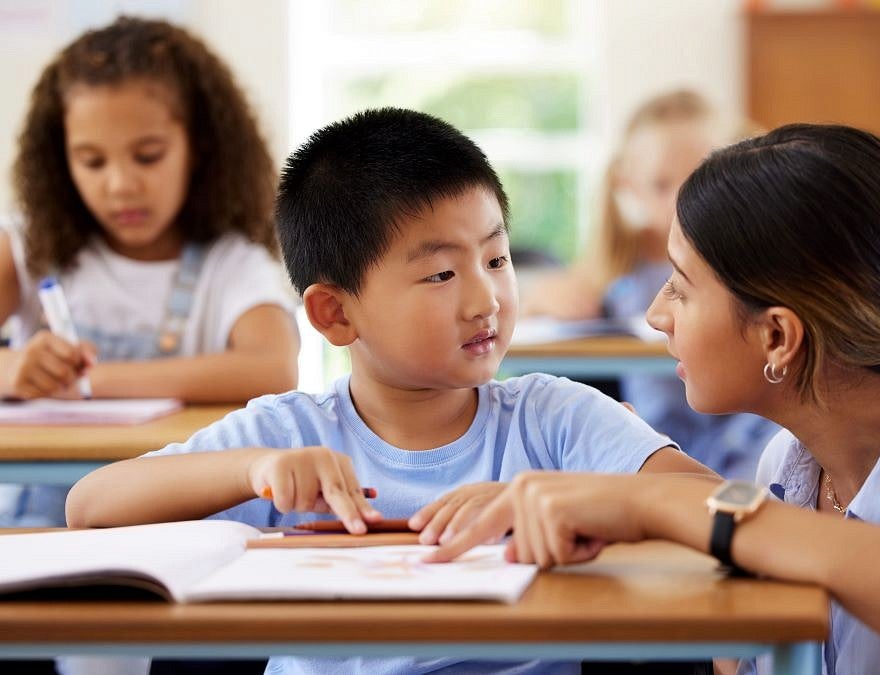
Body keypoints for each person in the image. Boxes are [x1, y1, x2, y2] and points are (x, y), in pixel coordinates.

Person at [431, 123, 880, 674]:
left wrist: (666, 504)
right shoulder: (797, 463)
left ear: (779, 336)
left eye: (681, 287)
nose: (656, 313)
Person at [67, 107, 714, 675]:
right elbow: (89, 507)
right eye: (439, 273)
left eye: (496, 258)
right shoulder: (290, 435)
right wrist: (252, 469)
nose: (485, 298)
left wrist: (575, 500)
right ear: (334, 314)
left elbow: (720, 506)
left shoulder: (555, 417)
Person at [0, 16, 298, 529]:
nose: (120, 185)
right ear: (58, 161)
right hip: (35, 518)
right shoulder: (25, 248)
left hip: (169, 517)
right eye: (92, 162)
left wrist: (91, 383)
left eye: (148, 156)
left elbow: (273, 368)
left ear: (199, 148)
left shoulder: (231, 264)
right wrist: (9, 370)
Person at [525, 90, 778, 479]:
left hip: (756, 448)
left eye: (700, 179)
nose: (683, 202)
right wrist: (541, 298)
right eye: (661, 185)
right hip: (659, 452)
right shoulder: (618, 268)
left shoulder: (763, 259)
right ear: (629, 187)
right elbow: (543, 309)